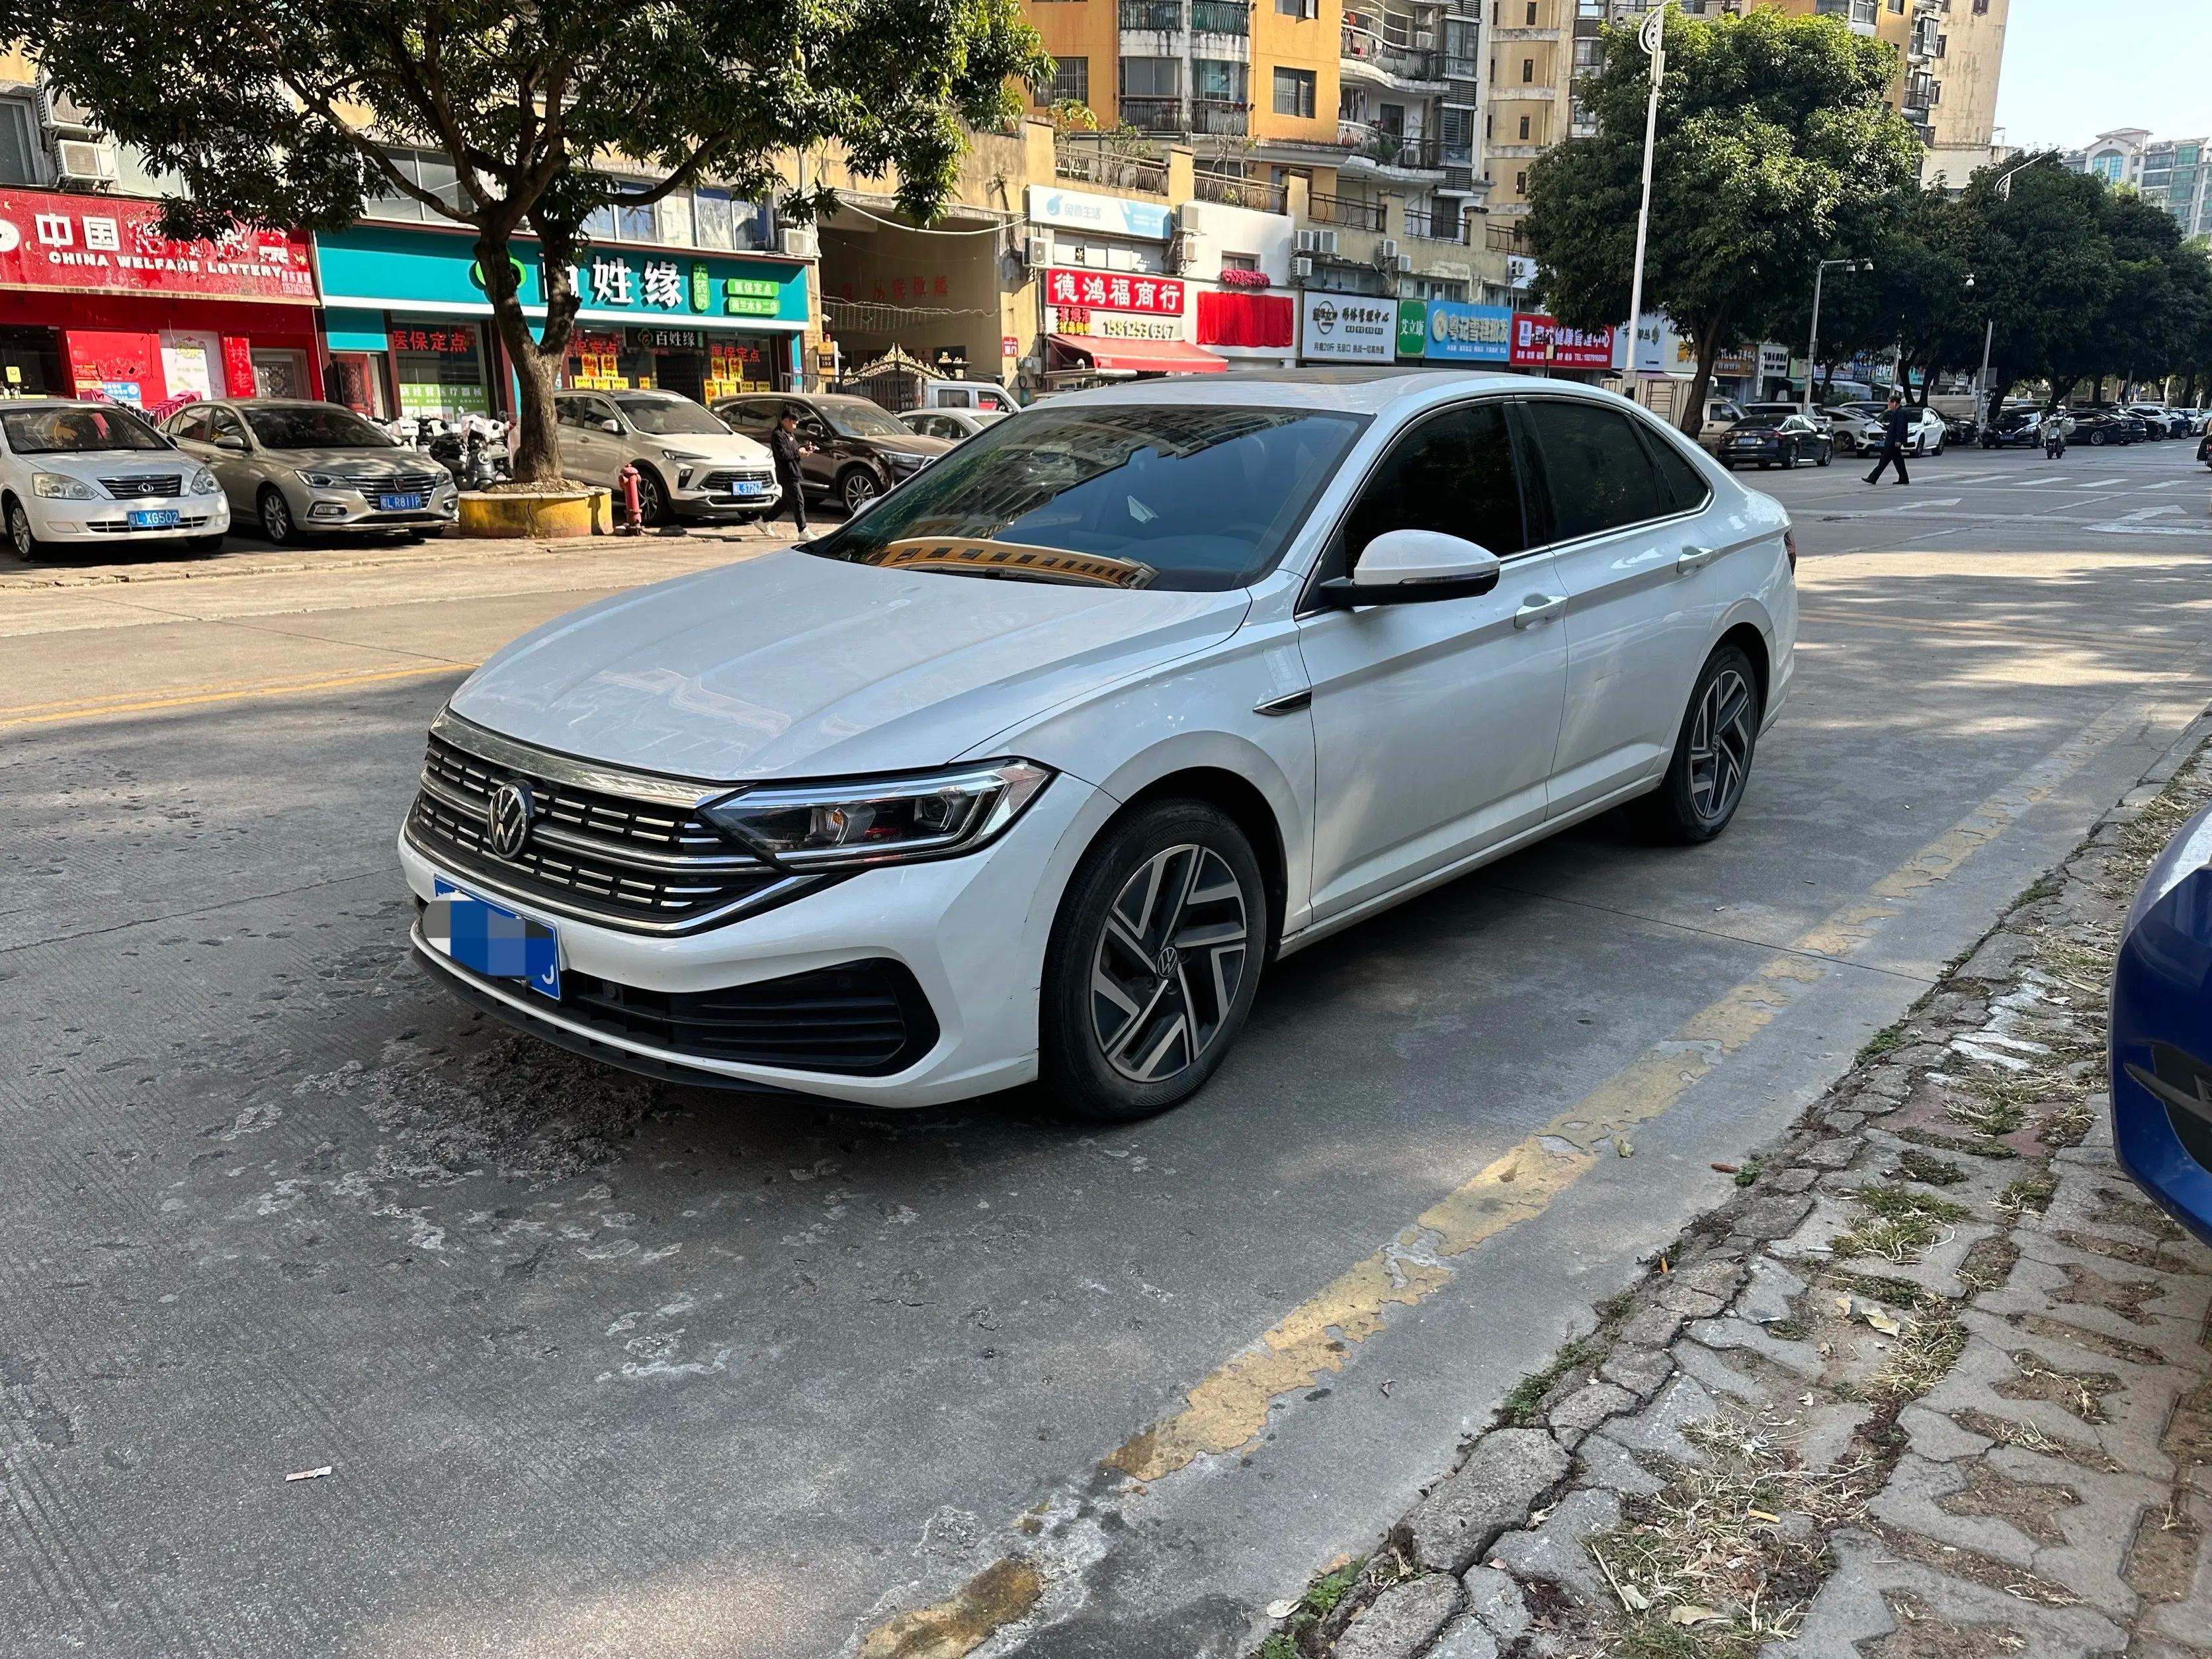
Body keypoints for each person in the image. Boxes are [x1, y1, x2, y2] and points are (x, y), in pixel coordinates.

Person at [769, 408, 810, 533]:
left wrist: (805, 449)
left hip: (794, 471)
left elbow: (795, 448)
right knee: (799, 501)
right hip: (786, 474)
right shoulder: (778, 435)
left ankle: (763, 520)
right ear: (786, 421)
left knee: (785, 503)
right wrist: (798, 453)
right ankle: (803, 530)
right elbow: (783, 454)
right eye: (794, 423)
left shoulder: (790, 434)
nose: (795, 426)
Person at [1863, 393, 1913, 486]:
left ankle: (1873, 478)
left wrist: (1898, 440)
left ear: (1894, 403)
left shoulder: (1901, 412)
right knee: (1898, 461)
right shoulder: (1898, 412)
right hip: (1893, 440)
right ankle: (1904, 478)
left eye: (1890, 403)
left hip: (1893, 441)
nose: (1889, 405)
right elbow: (1895, 426)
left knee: (1884, 460)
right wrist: (1886, 427)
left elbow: (1900, 427)